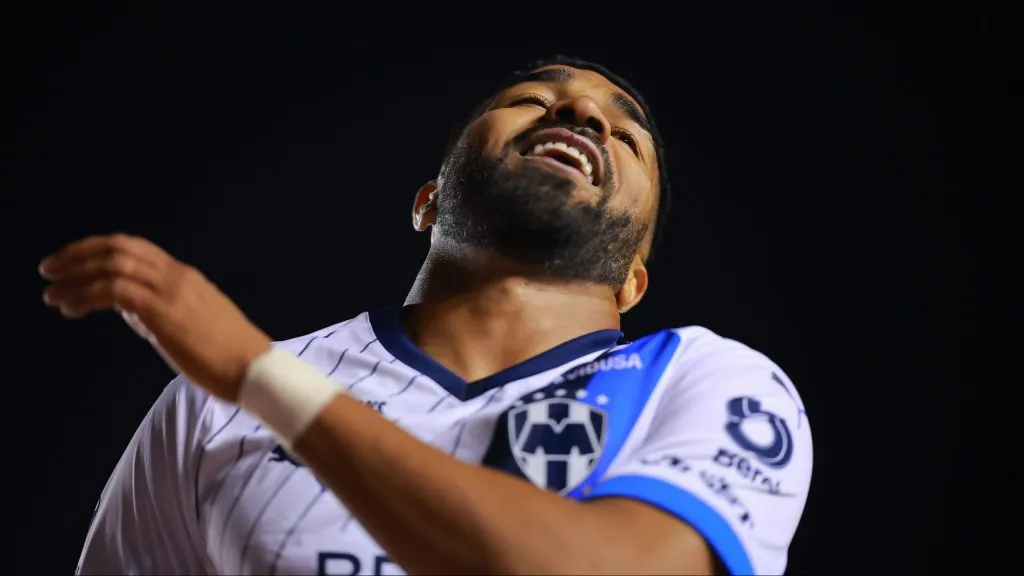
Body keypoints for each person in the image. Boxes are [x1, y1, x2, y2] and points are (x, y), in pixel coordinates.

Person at [44, 56, 812, 575]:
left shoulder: (709, 382)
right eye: (530, 100)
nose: (581, 109)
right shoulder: (208, 403)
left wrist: (261, 377)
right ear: (428, 202)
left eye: (629, 135)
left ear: (632, 283)